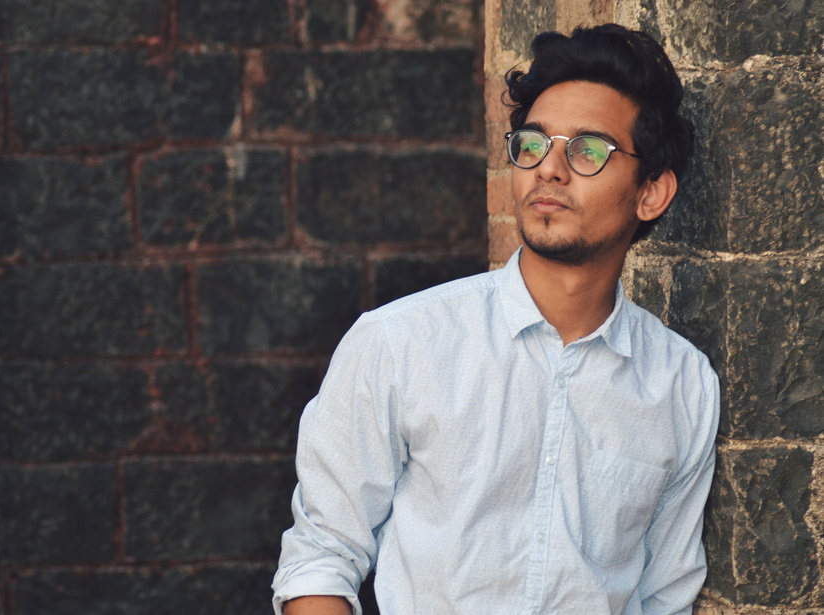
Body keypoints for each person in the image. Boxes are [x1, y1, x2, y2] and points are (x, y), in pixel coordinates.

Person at [272, 23, 719, 615]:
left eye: (588, 150)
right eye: (534, 144)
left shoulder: (682, 385)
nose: (549, 170)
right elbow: (321, 555)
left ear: (652, 193)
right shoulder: (400, 343)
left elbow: (665, 597)